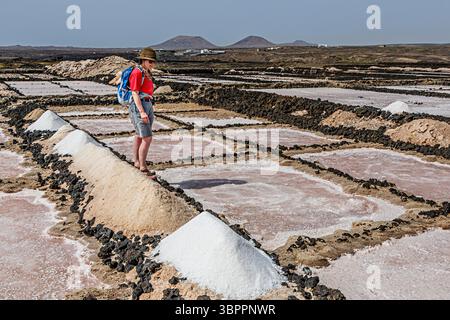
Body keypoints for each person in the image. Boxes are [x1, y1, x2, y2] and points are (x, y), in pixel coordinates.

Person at [128, 47, 157, 178]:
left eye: (153, 62)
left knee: (140, 135)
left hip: (147, 103)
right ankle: (143, 169)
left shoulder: (146, 73)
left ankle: (137, 162)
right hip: (140, 105)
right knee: (147, 137)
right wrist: (142, 112)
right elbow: (134, 92)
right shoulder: (137, 73)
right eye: (150, 61)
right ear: (143, 61)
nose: (152, 64)